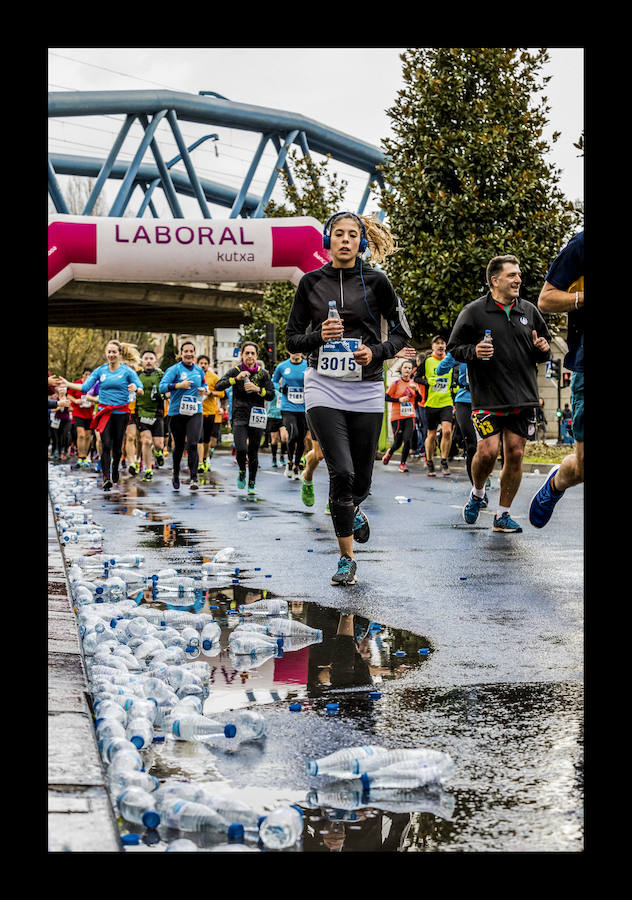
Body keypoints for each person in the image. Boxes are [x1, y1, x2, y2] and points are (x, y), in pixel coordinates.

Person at [286, 211, 410, 586]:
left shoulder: (378, 281)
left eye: (352, 234)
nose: (345, 240)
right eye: (338, 234)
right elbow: (292, 339)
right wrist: (319, 337)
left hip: (366, 386)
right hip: (323, 386)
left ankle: (354, 507)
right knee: (341, 471)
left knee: (361, 480)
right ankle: (346, 559)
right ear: (328, 241)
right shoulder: (310, 283)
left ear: (362, 242)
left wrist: (377, 352)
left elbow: (402, 333)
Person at [447, 254, 551, 532]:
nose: (518, 279)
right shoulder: (473, 312)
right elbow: (454, 348)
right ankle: (477, 493)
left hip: (523, 397)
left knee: (515, 453)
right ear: (495, 281)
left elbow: (544, 346)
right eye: (512, 275)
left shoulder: (529, 311)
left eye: (519, 275)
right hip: (487, 398)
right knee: (487, 451)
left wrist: (543, 349)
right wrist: (474, 351)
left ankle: (502, 515)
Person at [529, 230, 584, 528]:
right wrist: (582, 298)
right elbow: (546, 299)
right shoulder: (581, 244)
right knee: (582, 467)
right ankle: (556, 482)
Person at [54, 340, 143, 491]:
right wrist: (68, 384)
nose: (111, 354)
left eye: (114, 352)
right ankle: (106, 477)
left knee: (117, 446)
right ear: (106, 353)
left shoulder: (127, 371)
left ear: (120, 354)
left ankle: (115, 467)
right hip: (104, 412)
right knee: (105, 443)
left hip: (121, 413)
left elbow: (140, 389)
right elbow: (85, 387)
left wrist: (136, 388)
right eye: (109, 352)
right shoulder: (100, 370)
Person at [214, 341, 275, 496]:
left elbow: (271, 395)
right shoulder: (236, 370)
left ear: (256, 356)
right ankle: (242, 470)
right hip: (239, 415)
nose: (250, 356)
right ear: (241, 355)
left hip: (257, 415)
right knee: (241, 449)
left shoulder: (263, 373)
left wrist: (257, 389)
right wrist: (236, 379)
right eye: (247, 353)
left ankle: (252, 482)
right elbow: (218, 385)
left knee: (253, 451)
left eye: (252, 353)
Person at [159, 341, 209, 491]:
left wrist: (203, 390)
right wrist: (178, 385)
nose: (188, 354)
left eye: (191, 351)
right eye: (185, 351)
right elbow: (162, 387)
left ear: (194, 353)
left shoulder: (199, 370)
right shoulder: (174, 369)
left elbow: (205, 385)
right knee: (179, 445)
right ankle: (175, 473)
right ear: (181, 354)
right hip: (177, 412)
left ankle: (194, 478)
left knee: (193, 443)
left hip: (195, 411)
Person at [435, 353, 479, 489]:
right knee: (472, 445)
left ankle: (483, 473)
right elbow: (440, 370)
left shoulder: (490, 345)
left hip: (486, 401)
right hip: (464, 399)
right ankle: (478, 490)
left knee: (487, 447)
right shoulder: (462, 348)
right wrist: (454, 351)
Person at [273, 351, 309, 481]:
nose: (296, 353)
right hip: (287, 407)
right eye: (293, 350)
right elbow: (274, 381)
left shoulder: (308, 365)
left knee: (301, 438)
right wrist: (281, 388)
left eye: (298, 350)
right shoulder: (282, 366)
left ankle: (296, 465)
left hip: (303, 408)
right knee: (293, 433)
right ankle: (289, 461)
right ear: (289, 351)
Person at [422, 336, 455, 477]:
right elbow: (416, 378)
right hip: (431, 403)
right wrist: (428, 382)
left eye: (442, 343)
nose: (440, 345)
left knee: (447, 431)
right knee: (431, 434)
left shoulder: (450, 361)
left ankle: (444, 461)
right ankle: (430, 462)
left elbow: (454, 379)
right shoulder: (427, 361)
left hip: (446, 402)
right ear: (433, 346)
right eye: (437, 343)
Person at [382, 360, 423, 472]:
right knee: (398, 442)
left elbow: (420, 399)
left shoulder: (413, 384)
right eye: (405, 367)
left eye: (409, 368)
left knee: (407, 439)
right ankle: (390, 452)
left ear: (411, 370)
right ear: (401, 369)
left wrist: (417, 391)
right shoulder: (396, 383)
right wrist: (399, 400)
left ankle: (403, 464)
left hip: (410, 415)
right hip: (397, 416)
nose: (407, 370)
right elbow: (386, 397)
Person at [134, 349, 165, 483]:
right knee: (146, 441)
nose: (148, 361)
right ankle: (148, 470)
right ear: (142, 361)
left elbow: (167, 388)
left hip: (157, 413)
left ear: (155, 361)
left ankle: (158, 452)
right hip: (141, 412)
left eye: (151, 359)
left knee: (158, 444)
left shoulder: (160, 374)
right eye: (146, 358)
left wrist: (164, 395)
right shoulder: (137, 375)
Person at [196, 354, 225, 473]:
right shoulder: (194, 375)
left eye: (205, 363)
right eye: (201, 363)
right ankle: (199, 462)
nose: (203, 365)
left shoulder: (214, 377)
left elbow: (222, 393)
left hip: (210, 411)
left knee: (207, 440)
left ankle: (205, 458)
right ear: (197, 364)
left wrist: (211, 393)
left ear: (208, 365)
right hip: (197, 411)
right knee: (199, 438)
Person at [66, 368, 96, 469]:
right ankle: (80, 456)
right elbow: (69, 395)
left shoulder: (94, 385)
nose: (87, 376)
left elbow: (98, 397)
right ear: (83, 375)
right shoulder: (77, 384)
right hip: (78, 412)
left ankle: (85, 458)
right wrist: (75, 401)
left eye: (89, 375)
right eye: (86, 374)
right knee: (81, 434)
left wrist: (93, 402)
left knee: (87, 436)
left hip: (89, 413)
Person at [264, 383, 285, 468]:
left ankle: (282, 456)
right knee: (274, 439)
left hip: (283, 416)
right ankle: (274, 457)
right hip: (272, 416)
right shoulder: (273, 387)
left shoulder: (285, 388)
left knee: (284, 437)